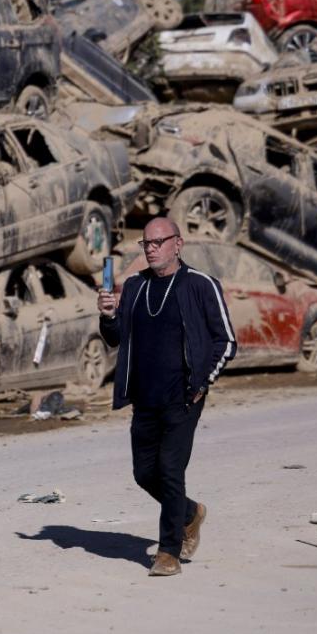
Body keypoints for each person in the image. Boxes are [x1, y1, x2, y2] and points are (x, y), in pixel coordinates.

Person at [97, 217, 236, 577]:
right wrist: (109, 315)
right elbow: (115, 337)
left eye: (159, 242)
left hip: (184, 397)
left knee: (171, 471)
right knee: (145, 474)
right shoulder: (134, 287)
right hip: (145, 399)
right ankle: (190, 513)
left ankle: (168, 552)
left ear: (178, 243)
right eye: (147, 243)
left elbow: (227, 341)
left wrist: (203, 382)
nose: (152, 248)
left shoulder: (200, 285)